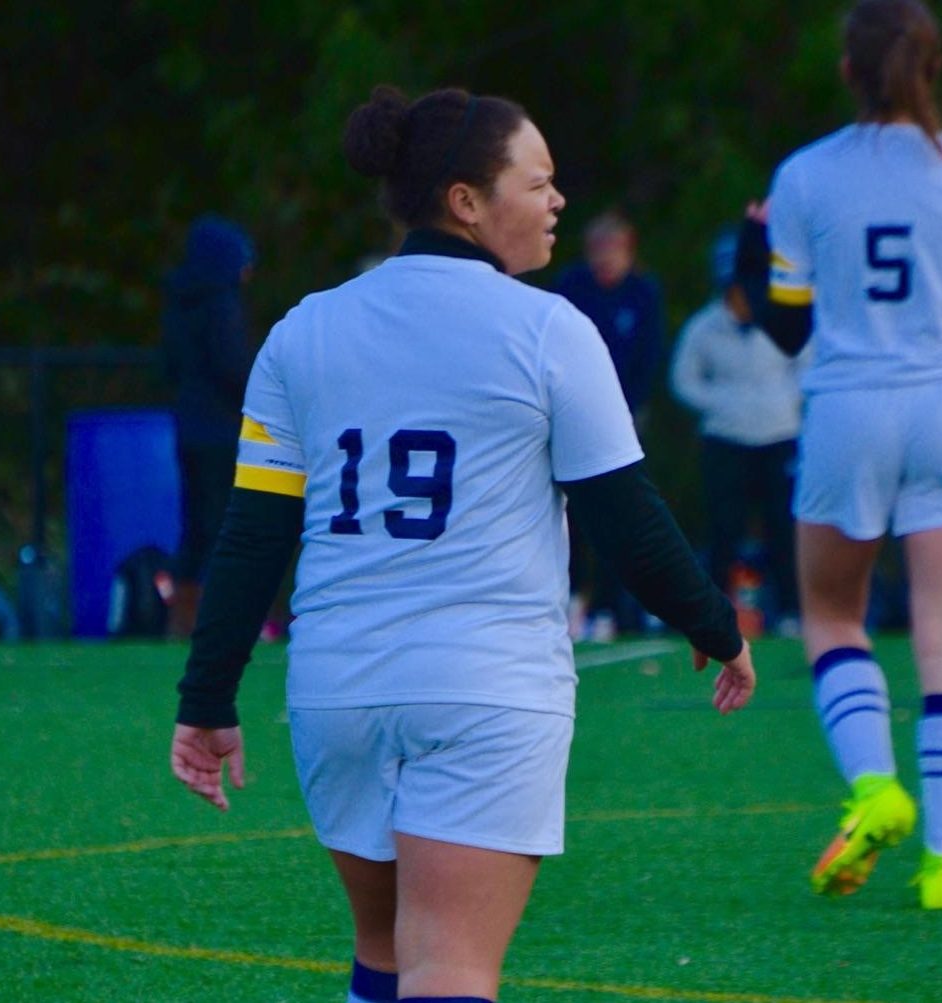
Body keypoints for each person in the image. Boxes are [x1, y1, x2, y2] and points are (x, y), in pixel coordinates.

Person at [170, 84, 755, 1003]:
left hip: (340, 691)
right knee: (449, 969)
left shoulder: (302, 331)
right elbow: (625, 517)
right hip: (486, 689)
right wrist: (716, 625)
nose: (558, 201)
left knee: (384, 958)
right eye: (539, 181)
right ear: (465, 201)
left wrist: (206, 697)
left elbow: (253, 536)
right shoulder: (550, 329)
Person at [740, 0, 942, 909]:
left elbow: (784, 325)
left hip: (849, 408)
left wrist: (747, 238)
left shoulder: (804, 177)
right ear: (930, 68)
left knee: (833, 614)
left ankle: (873, 789)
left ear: (848, 70)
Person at [670, 227, 808, 636]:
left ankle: (791, 613)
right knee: (725, 529)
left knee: (783, 527)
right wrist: (721, 404)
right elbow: (684, 380)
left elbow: (808, 364)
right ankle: (716, 615)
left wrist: (784, 401)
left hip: (779, 434)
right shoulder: (704, 328)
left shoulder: (782, 318)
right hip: (725, 438)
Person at [552, 212, 665, 640]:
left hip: (623, 419)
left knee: (620, 515)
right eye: (596, 249)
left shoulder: (642, 292)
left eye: (611, 249)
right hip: (573, 416)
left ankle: (613, 607)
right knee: (574, 513)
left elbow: (650, 357)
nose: (603, 259)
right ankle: (572, 601)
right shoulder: (573, 288)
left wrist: (628, 411)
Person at [161, 214, 255, 637]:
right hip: (220, 430)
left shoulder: (179, 304)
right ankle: (225, 619)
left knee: (195, 526)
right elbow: (233, 367)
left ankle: (181, 619)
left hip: (187, 428)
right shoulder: (222, 305)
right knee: (223, 526)